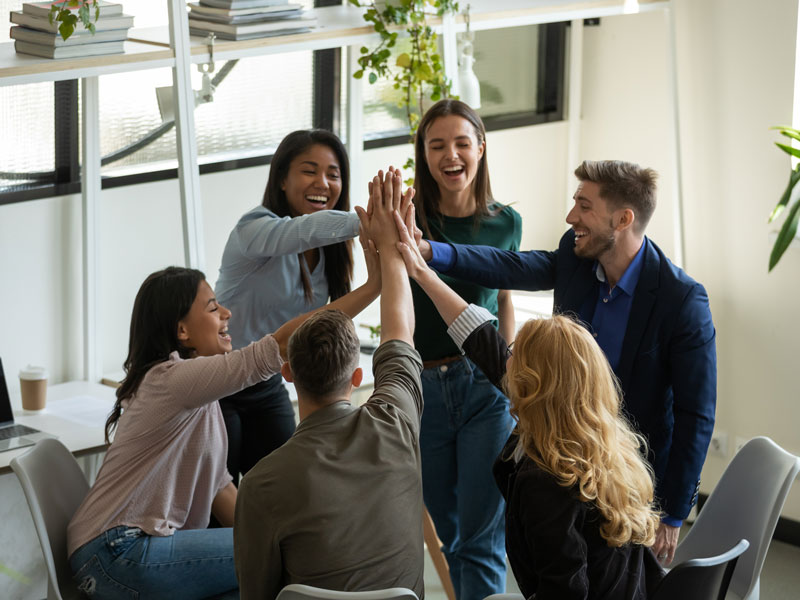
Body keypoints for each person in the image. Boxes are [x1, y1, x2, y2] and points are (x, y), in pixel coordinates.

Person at [416, 159, 717, 566]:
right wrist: (432, 252)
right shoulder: (575, 255)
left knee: (617, 583)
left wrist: (676, 512)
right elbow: (514, 265)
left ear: (623, 218)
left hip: (631, 479)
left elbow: (695, 413)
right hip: (565, 465)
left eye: (584, 205)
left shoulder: (682, 300)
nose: (570, 216)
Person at [67, 258, 381, 600]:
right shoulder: (173, 379)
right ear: (182, 331)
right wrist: (374, 287)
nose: (227, 313)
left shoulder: (195, 395)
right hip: (116, 553)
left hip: (116, 555)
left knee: (264, 581)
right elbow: (279, 345)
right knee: (287, 549)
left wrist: (282, 528)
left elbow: (222, 493)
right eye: (214, 308)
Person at [393, 207, 665, 599]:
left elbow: (563, 592)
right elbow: (481, 339)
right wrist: (421, 272)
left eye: (516, 353)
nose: (508, 356)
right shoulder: (602, 444)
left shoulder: (546, 481)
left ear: (532, 386)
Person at [234, 169, 424, 599]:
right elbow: (400, 332)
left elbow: (256, 593)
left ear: (287, 374)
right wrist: (394, 250)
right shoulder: (395, 424)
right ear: (358, 377)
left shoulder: (262, 482)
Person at [409, 99, 521, 600]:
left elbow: (503, 299)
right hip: (425, 391)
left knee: (481, 537)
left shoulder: (506, 223)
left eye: (461, 143)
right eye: (437, 145)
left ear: (480, 148)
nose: (450, 155)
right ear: (425, 155)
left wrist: (511, 374)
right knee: (450, 534)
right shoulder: (408, 219)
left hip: (484, 386)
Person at [215, 129, 360, 485]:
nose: (322, 183)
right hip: (218, 383)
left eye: (333, 174)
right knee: (219, 497)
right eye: (309, 170)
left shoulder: (332, 252)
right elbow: (303, 231)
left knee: (286, 486)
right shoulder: (254, 229)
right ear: (282, 178)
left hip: (267, 380)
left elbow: (324, 320)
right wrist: (371, 222)